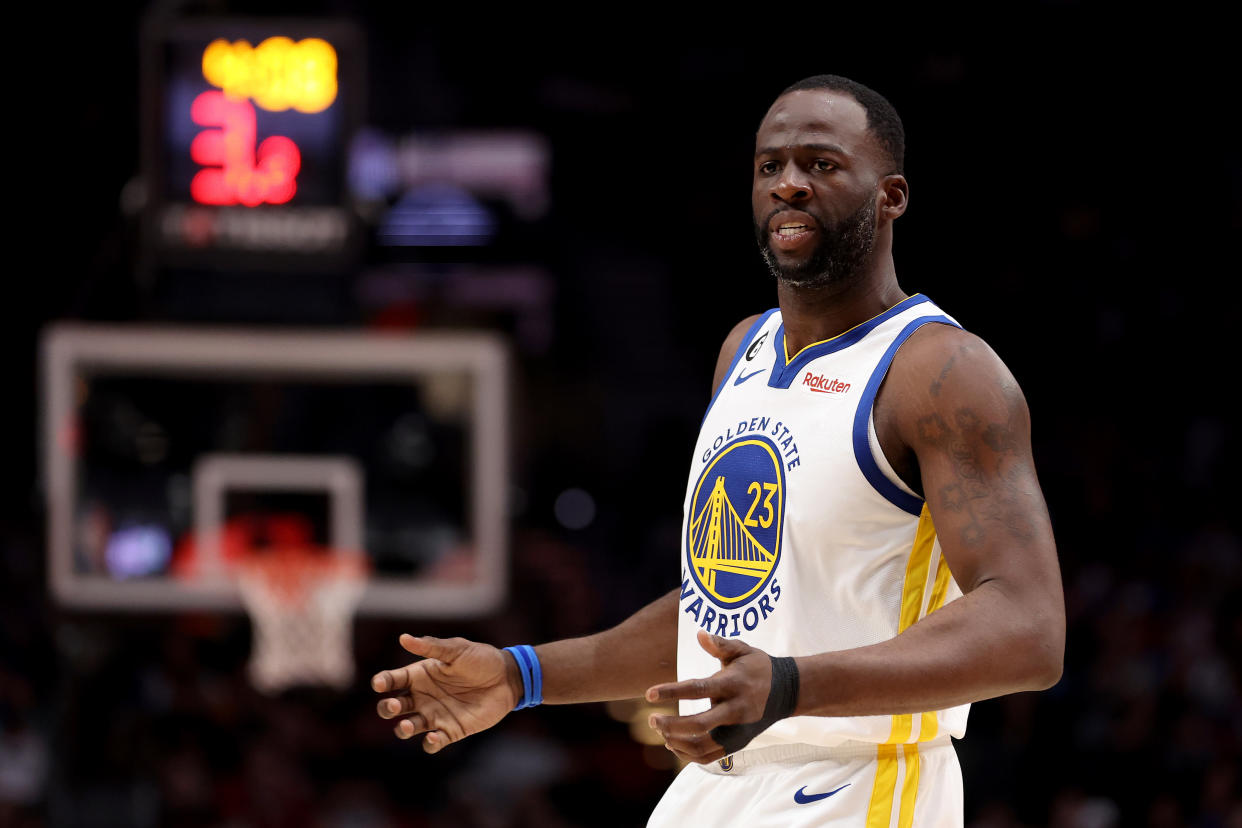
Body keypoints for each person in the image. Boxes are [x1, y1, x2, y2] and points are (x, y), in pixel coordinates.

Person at [370, 74, 1064, 827]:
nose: (789, 185)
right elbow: (724, 613)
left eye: (822, 165)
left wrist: (792, 686)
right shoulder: (743, 350)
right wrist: (520, 674)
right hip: (717, 784)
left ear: (890, 196)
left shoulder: (941, 371)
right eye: (771, 166)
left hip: (859, 784)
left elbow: (1028, 627)